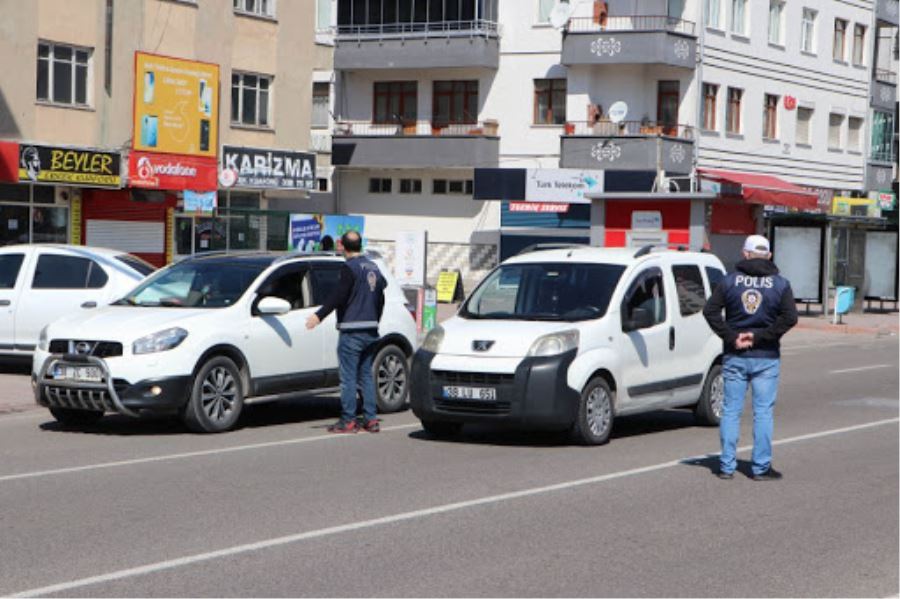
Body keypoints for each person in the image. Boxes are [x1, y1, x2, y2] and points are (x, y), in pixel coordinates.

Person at [703, 234, 798, 481]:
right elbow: (790, 318)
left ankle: (726, 466)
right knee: (763, 412)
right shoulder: (780, 284)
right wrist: (760, 337)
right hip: (766, 355)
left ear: (744, 254)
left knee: (731, 410)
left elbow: (710, 310)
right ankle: (760, 467)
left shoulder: (729, 281)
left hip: (735, 354)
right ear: (768, 256)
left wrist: (731, 336)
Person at [306, 231, 386, 433]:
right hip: (371, 329)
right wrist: (375, 318)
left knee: (348, 378)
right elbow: (381, 295)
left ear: (342, 245)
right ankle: (371, 419)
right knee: (366, 376)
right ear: (360, 245)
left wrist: (318, 315)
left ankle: (349, 420)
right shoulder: (374, 267)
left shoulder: (349, 268)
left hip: (352, 331)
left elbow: (338, 296)